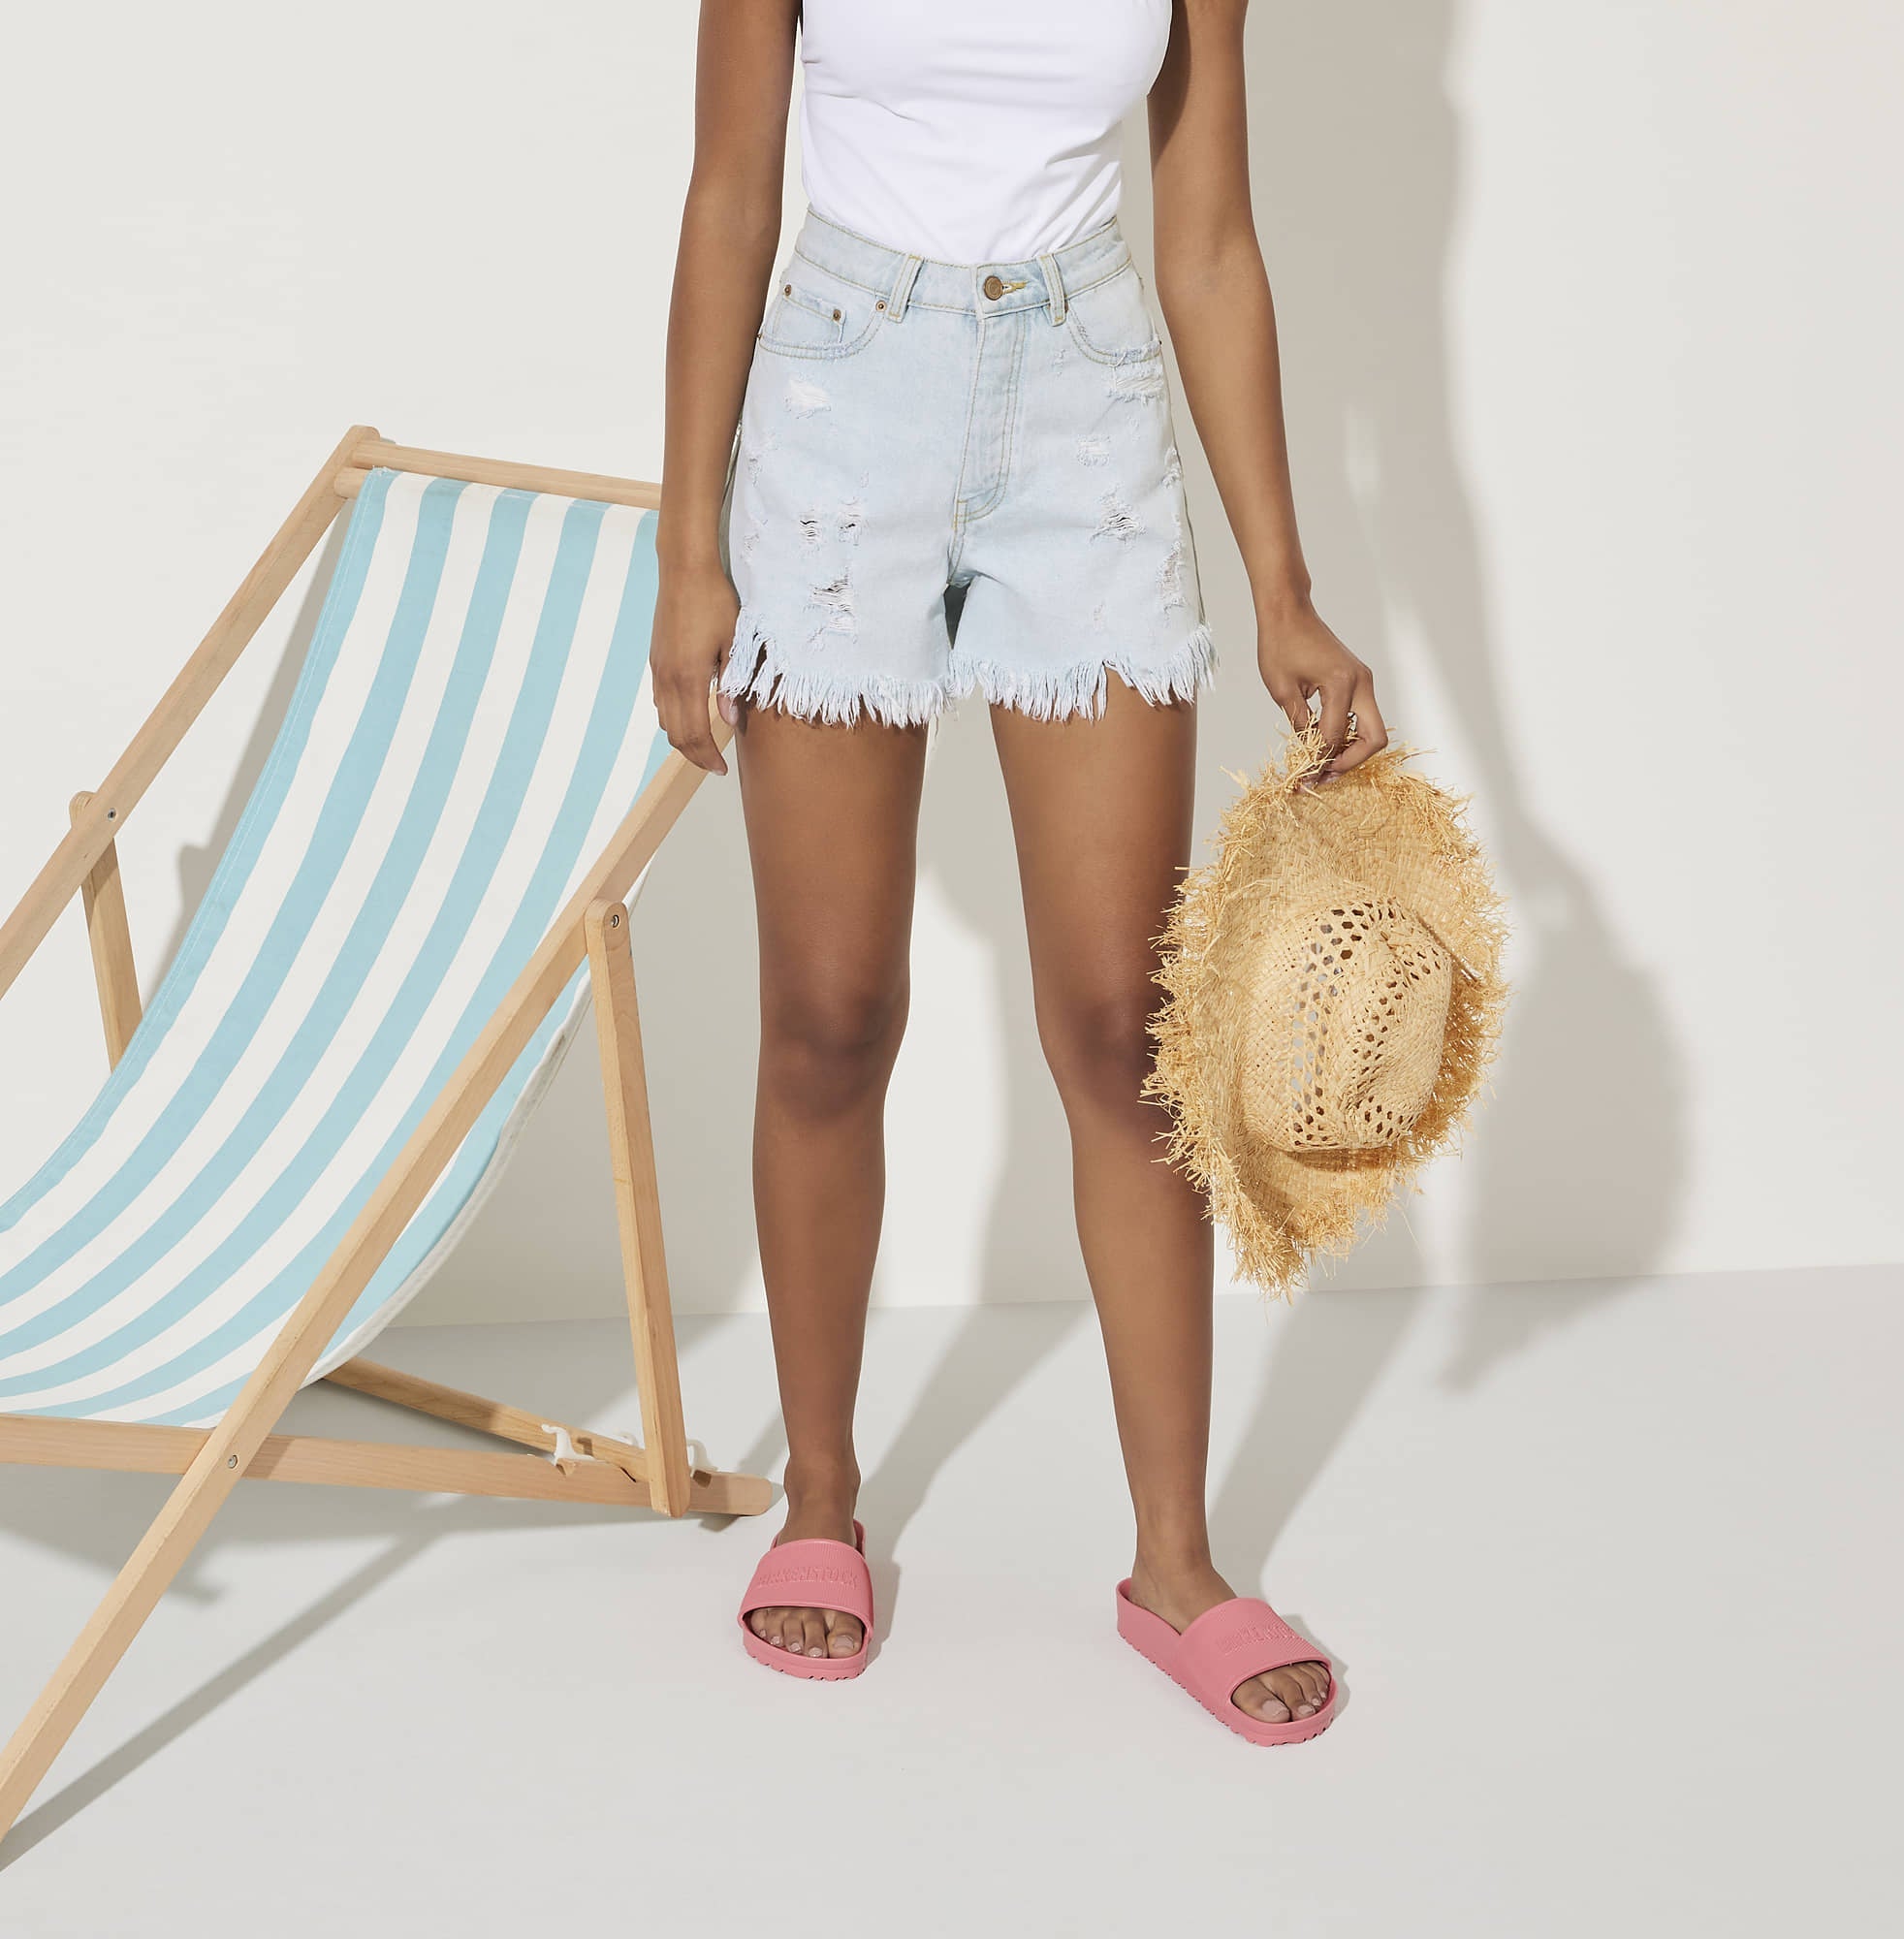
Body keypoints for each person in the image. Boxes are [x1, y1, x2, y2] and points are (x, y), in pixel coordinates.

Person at [651, 0, 1384, 1734]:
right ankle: (820, 1496)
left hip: (1087, 415)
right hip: (840, 409)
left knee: (1126, 1030)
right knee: (831, 1014)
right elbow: (732, 192)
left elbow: (1209, 240)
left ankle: (1176, 1561)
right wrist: (688, 553)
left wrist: (1282, 586)